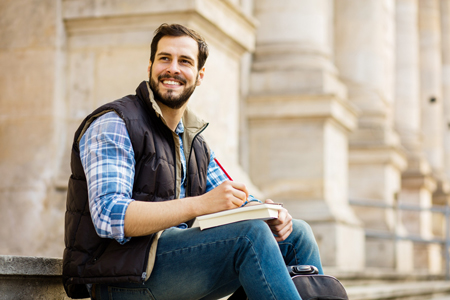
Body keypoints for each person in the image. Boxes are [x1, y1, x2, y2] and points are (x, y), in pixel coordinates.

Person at [63, 23, 323, 300]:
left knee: (297, 234)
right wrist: (201, 205)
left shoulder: (194, 143)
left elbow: (233, 198)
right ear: (150, 66)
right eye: (165, 58)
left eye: (184, 61)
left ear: (199, 76)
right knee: (250, 236)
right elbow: (109, 216)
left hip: (168, 268)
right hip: (119, 279)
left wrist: (270, 212)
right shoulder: (115, 124)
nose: (173, 68)